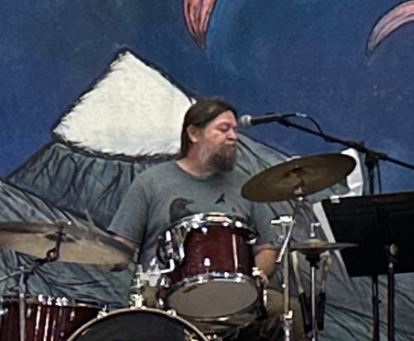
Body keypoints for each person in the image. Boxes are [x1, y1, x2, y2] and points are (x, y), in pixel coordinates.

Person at [109, 97, 285, 293]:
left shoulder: (246, 186)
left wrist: (257, 276)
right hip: (163, 294)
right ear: (193, 134)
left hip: (233, 293)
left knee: (285, 311)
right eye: (223, 129)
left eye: (235, 130)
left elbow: (267, 248)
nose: (233, 137)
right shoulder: (150, 182)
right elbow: (122, 248)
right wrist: (98, 251)